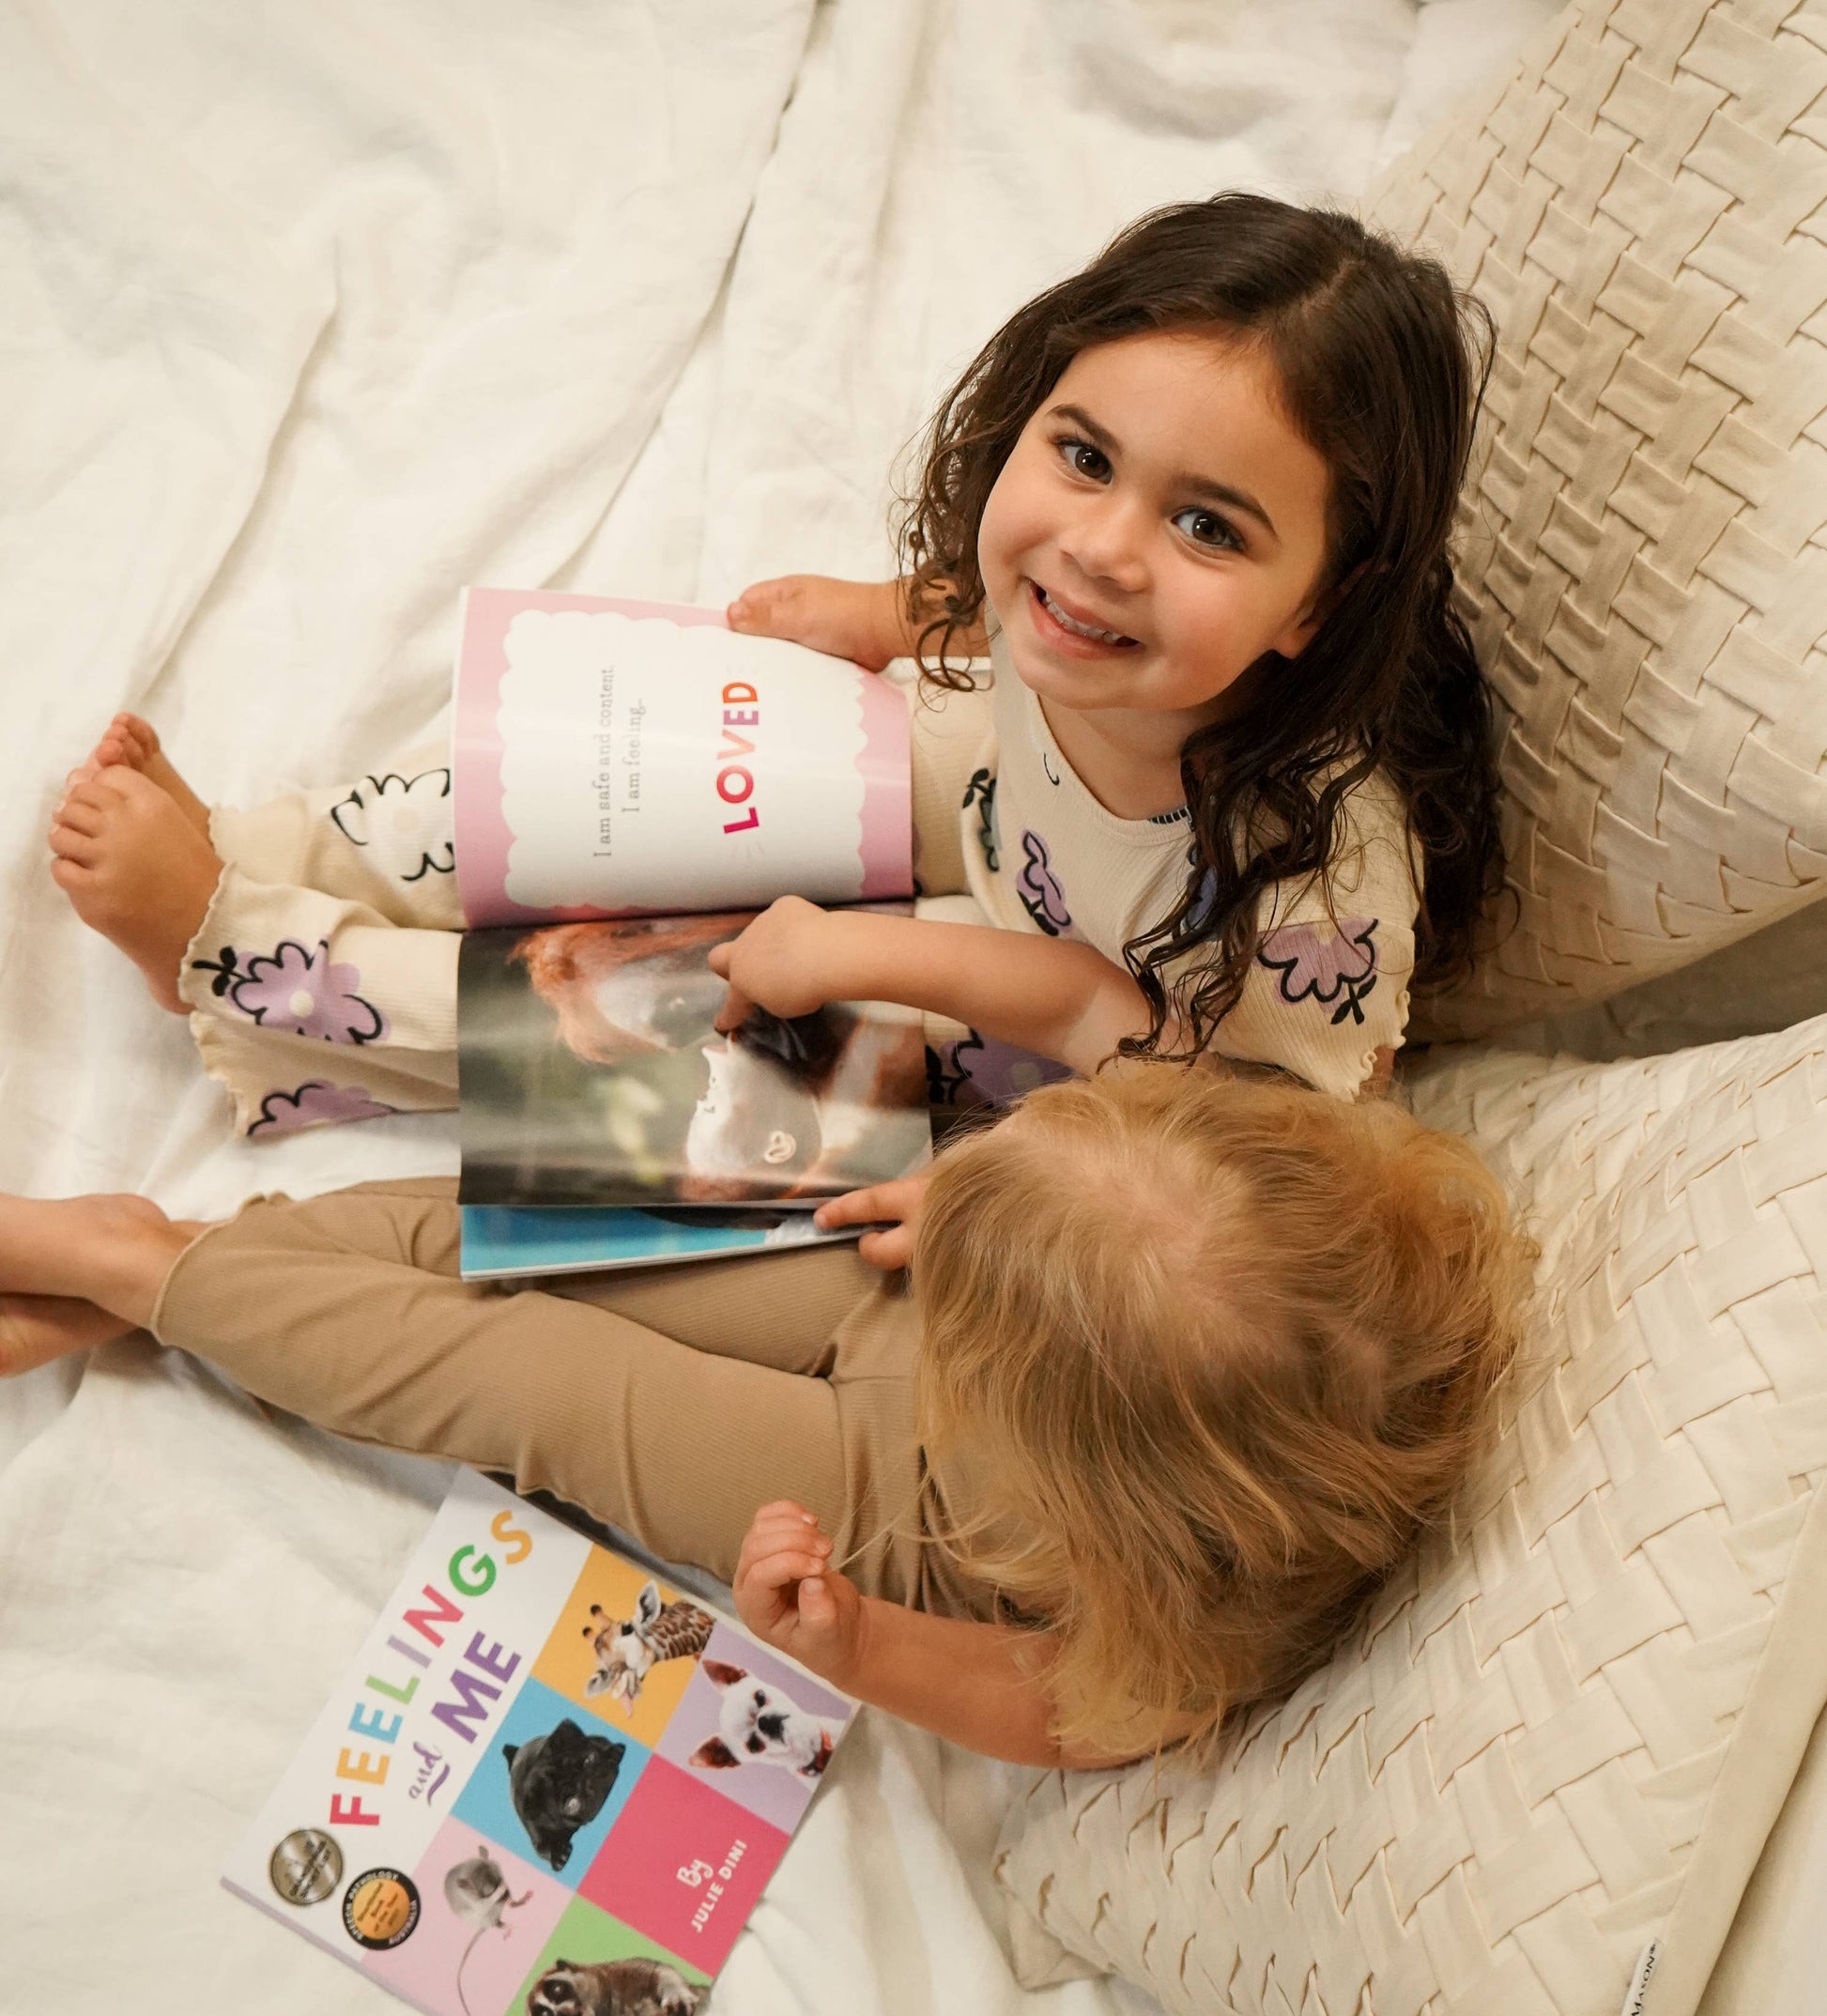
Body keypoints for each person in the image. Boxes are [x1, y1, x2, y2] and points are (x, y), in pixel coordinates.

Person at [44, 194, 1503, 1141]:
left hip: (1085, 1061)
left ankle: (242, 960)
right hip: (995, 778)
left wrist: (880, 951)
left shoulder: (1310, 877)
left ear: (1322, 603)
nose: (1101, 550)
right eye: (1080, 456)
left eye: (1204, 525)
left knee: (673, 1041)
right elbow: (1027, 587)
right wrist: (889, 615)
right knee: (596, 781)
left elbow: (1247, 1135)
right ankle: (255, 850)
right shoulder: (1067, 614)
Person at [0, 1067, 1530, 1764]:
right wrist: (979, 1215)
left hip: (903, 1512)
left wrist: (854, 1644)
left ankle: (132, 1261)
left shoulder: (1184, 1604)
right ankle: (176, 1276)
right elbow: (1165, 1172)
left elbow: (1063, 1712)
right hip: (964, 1317)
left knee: (538, 1384)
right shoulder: (1323, 1251)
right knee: (546, 1218)